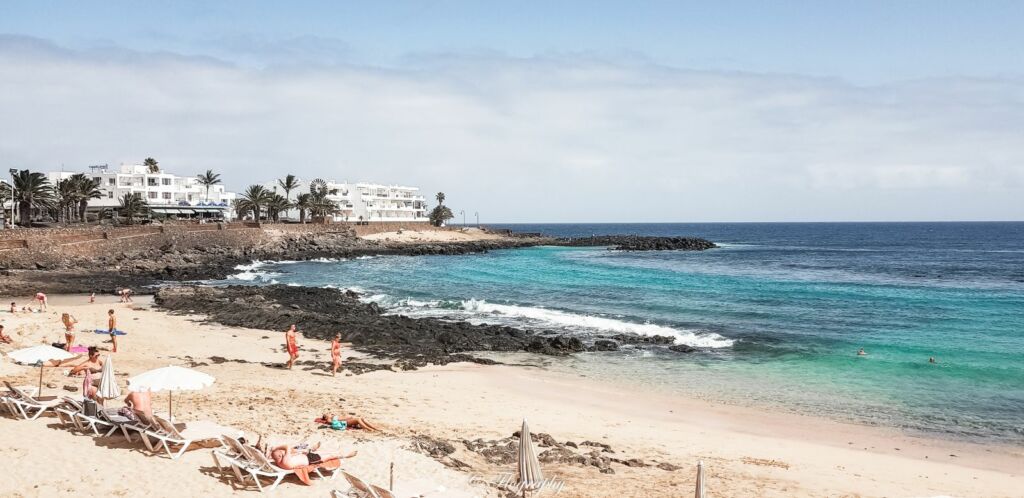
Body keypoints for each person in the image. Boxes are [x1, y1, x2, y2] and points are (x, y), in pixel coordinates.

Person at [267, 442, 356, 470]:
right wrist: (276, 447)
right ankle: (345, 455)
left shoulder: (279, 461)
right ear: (279, 456)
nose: (283, 453)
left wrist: (273, 451)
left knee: (323, 452)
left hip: (306, 456)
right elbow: (287, 447)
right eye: (281, 453)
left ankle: (311, 449)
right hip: (310, 460)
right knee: (329, 456)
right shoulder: (284, 461)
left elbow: (287, 451)